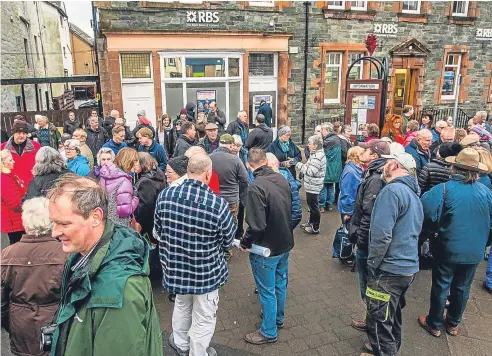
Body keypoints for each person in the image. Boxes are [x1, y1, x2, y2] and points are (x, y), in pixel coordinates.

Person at [47, 174, 163, 356]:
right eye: (53, 222)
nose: (54, 232)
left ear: (95, 217)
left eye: (63, 224)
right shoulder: (80, 257)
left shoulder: (119, 291)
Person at [154, 154, 235, 356]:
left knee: (182, 305)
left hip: (176, 267)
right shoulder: (217, 204)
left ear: (188, 171)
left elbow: (158, 231)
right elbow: (227, 240)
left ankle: (180, 344)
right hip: (205, 272)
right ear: (208, 174)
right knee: (204, 315)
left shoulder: (165, 196)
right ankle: (198, 352)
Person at [418, 148, 492, 337]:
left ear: (454, 167)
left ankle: (434, 323)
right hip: (475, 249)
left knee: (441, 284)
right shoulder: (486, 191)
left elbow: (427, 215)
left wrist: (431, 233)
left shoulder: (443, 189)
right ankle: (453, 323)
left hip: (447, 247)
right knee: (462, 286)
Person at [362, 151, 423, 356]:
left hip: (389, 269)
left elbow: (381, 235)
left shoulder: (392, 192)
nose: (383, 165)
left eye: (388, 161)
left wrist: (372, 263)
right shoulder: (413, 193)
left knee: (378, 322)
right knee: (392, 315)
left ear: (396, 166)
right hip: (406, 268)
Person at [1, 197, 69, 356]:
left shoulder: (7, 255)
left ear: (25, 222)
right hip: (56, 324)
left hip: (21, 325)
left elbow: (2, 302)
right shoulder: (65, 253)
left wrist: (10, 324)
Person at [240, 148, 294, 345]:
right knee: (280, 283)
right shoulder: (282, 179)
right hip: (284, 243)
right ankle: (277, 318)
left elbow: (256, 225)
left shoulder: (256, 188)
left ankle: (269, 331)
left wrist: (245, 243)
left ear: (248, 164)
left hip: (266, 249)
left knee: (266, 290)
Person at [347, 139, 391, 332]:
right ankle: (370, 319)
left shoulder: (375, 178)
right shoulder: (374, 172)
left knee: (368, 284)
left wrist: (359, 239)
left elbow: (369, 213)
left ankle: (373, 324)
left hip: (367, 241)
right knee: (369, 284)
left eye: (366, 150)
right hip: (369, 239)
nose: (362, 152)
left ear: (374, 155)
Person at [210, 134, 250, 259]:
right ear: (231, 145)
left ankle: (216, 248)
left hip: (214, 198)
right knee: (230, 224)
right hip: (231, 199)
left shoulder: (209, 158)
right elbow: (245, 179)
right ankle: (227, 251)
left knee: (215, 223)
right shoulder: (235, 160)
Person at [99, 148, 140, 226]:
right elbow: (124, 211)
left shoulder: (105, 176)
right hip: (118, 225)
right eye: (135, 161)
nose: (137, 164)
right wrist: (135, 198)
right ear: (129, 161)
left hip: (105, 221)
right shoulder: (124, 181)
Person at [296, 135, 326, 234]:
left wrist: (298, 164)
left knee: (314, 207)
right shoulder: (315, 153)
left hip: (314, 185)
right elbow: (309, 166)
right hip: (311, 185)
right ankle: (311, 223)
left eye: (310, 144)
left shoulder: (317, 156)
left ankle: (315, 228)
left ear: (315, 145)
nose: (308, 145)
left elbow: (310, 171)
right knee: (311, 205)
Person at [266, 153, 302, 230]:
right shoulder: (263, 181)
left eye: (269, 166)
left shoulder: (289, 182)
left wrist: (286, 229)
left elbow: (297, 212)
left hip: (283, 229)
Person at [1, 120, 41, 187]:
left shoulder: (36, 146)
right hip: (11, 186)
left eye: (24, 133)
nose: (22, 135)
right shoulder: (3, 148)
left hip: (32, 186)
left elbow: (42, 165)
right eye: (19, 133)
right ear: (13, 133)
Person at [1, 150, 25, 245]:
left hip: (16, 220)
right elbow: (14, 203)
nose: (13, 161)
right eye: (10, 160)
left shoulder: (10, 175)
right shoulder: (5, 179)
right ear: (3, 163)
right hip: (14, 223)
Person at [319, 123, 344, 212]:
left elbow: (319, 149)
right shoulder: (336, 138)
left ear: (327, 130)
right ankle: (329, 205)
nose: (321, 131)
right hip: (335, 168)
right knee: (330, 186)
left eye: (322, 129)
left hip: (328, 167)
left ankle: (321, 205)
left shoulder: (328, 141)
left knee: (323, 186)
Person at [338, 146, 364, 221]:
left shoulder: (357, 168)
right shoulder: (351, 172)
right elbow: (347, 193)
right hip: (349, 210)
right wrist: (347, 212)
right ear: (355, 156)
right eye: (362, 154)